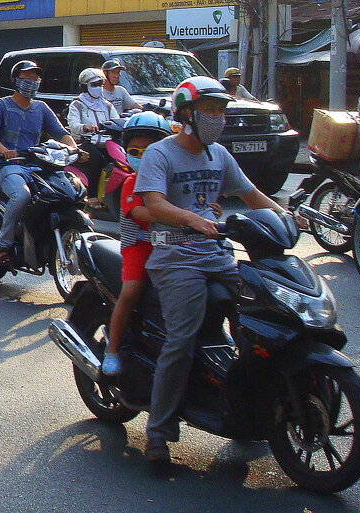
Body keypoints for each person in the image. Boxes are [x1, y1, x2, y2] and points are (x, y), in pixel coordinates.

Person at [135, 76, 291, 466]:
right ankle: (159, 432)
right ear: (186, 113)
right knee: (181, 339)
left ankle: (243, 398)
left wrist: (287, 216)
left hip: (217, 253)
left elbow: (251, 195)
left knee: (265, 317)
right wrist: (190, 218)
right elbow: (152, 203)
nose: (218, 118)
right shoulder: (160, 153)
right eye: (210, 110)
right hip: (175, 257)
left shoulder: (219, 154)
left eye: (221, 110)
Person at [101, 112, 218, 375]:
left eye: (150, 149)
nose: (142, 156)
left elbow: (198, 202)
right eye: (135, 150)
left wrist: (208, 210)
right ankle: (113, 347)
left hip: (177, 247)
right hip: (140, 246)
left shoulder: (174, 180)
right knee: (130, 291)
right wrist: (187, 216)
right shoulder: (131, 183)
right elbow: (143, 214)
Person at [0, 60, 81, 262]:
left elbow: (61, 133)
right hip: (10, 166)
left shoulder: (41, 108)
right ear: (15, 81)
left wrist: (74, 148)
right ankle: (4, 242)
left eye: (35, 78)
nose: (32, 82)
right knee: (21, 196)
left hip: (38, 166)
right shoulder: (0, 106)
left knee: (67, 192)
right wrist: (4, 151)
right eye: (26, 78)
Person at [67, 68, 120, 202]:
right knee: (97, 159)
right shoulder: (77, 104)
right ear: (85, 87)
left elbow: (116, 120)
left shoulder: (106, 105)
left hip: (106, 141)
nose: (98, 88)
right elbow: (73, 125)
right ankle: (92, 196)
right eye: (94, 85)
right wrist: (86, 127)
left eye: (100, 85)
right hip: (85, 141)